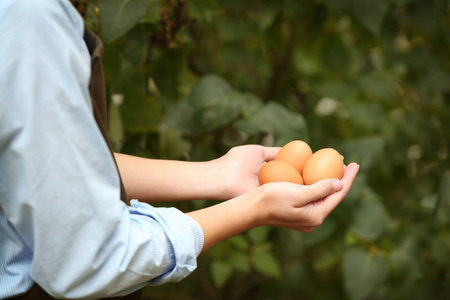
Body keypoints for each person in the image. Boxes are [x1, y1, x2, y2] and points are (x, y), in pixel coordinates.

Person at [0, 0, 359, 299]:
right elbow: (92, 258)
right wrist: (257, 206)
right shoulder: (30, 18)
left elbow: (49, 170)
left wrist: (218, 175)